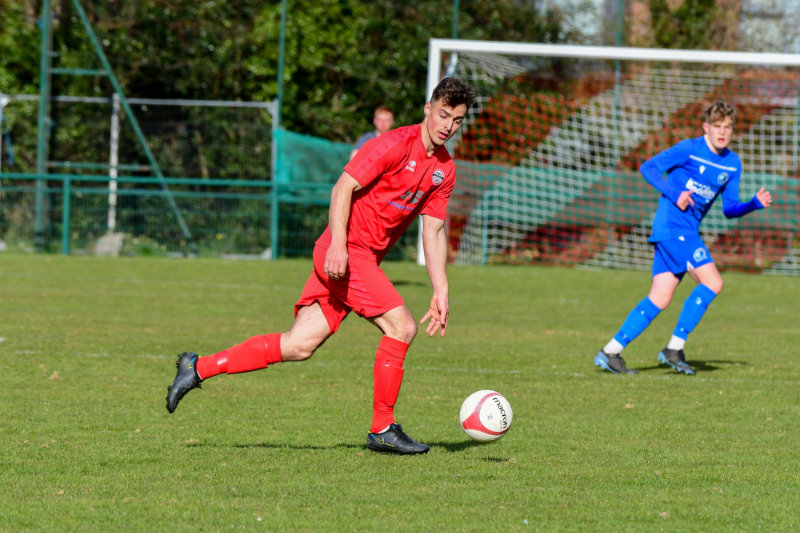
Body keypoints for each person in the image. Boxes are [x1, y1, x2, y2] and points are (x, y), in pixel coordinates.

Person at [166, 77, 475, 454]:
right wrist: (339, 246)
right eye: (443, 114)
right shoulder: (394, 144)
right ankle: (382, 428)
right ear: (428, 109)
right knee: (402, 326)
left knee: (299, 345)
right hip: (345, 252)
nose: (448, 126)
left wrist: (441, 289)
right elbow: (342, 187)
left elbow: (435, 230)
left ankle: (197, 367)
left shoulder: (444, 169)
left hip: (359, 258)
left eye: (457, 120)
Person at [594, 101, 772, 376]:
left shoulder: (732, 163)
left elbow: (729, 209)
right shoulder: (688, 149)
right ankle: (674, 348)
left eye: (727, 127)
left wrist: (753, 205)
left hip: (685, 231)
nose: (722, 132)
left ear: (733, 130)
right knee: (713, 282)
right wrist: (674, 193)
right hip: (672, 227)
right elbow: (648, 167)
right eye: (717, 126)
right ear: (705, 127)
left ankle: (610, 352)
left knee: (660, 297)